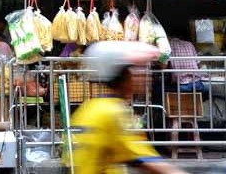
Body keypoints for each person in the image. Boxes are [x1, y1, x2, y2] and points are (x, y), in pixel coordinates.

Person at [65, 41, 187, 174]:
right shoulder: (115, 112)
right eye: (139, 69)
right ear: (125, 75)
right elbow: (147, 161)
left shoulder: (88, 108)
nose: (148, 76)